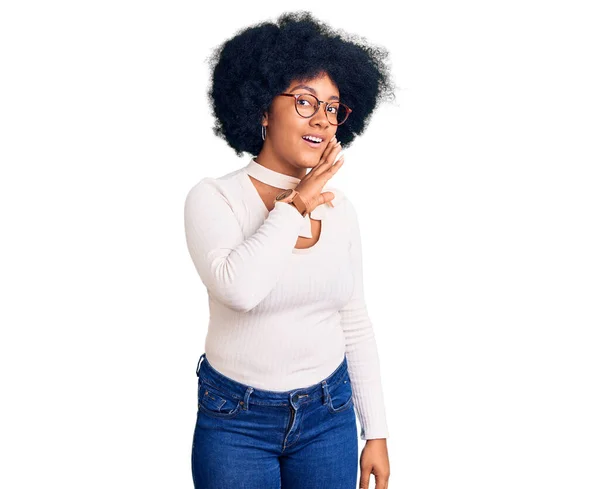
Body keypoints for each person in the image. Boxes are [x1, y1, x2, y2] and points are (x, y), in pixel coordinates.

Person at [184, 11, 396, 489]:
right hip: (236, 422)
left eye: (332, 107)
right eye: (305, 101)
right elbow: (241, 290)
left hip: (329, 416)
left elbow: (354, 318)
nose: (322, 118)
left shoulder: (340, 210)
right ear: (261, 108)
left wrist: (376, 431)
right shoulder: (213, 198)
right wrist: (297, 202)